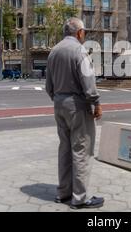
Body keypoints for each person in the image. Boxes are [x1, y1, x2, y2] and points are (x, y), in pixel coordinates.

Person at [45, 18, 104, 210]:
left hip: (59, 103)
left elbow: (48, 86)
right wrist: (96, 103)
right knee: (81, 149)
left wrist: (58, 98)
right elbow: (88, 81)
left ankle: (63, 193)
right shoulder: (80, 51)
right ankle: (80, 198)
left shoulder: (53, 51)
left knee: (65, 149)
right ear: (79, 33)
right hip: (77, 105)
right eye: (83, 32)